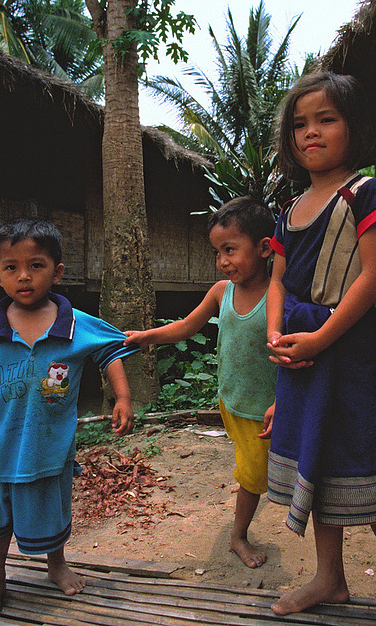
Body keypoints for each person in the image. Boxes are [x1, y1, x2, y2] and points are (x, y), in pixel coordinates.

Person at [266, 70, 376, 616]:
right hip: (299, 353)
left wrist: (320, 337)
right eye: (300, 124)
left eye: (326, 119)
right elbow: (276, 279)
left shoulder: (368, 192)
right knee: (314, 463)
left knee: (363, 466)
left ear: (354, 127)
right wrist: (275, 334)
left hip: (343, 352)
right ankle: (330, 580)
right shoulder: (291, 208)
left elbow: (373, 277)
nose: (310, 133)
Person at [0, 218, 139, 617]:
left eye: (36, 265)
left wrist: (122, 396)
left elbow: (112, 351)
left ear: (58, 271)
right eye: (11, 267)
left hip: (51, 446)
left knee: (53, 507)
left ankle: (56, 565)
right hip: (0, 446)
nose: (24, 276)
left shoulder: (76, 323)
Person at [124, 196, 277, 569]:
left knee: (271, 471)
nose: (222, 261)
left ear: (264, 248)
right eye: (217, 252)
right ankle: (238, 536)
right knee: (254, 476)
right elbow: (187, 327)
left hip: (271, 406)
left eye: (230, 250)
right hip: (234, 402)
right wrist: (148, 336)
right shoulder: (221, 292)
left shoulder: (279, 296)